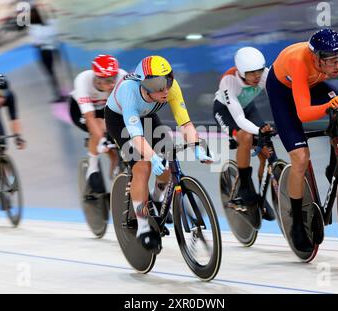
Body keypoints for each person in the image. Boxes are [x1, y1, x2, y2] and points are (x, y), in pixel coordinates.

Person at [265, 28, 338, 251]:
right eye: (331, 60)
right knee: (301, 158)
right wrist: (329, 105)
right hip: (282, 91)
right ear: (316, 58)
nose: (337, 65)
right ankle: (296, 223)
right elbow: (303, 113)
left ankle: (334, 164)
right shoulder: (299, 62)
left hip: (312, 86)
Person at [105, 55, 213, 251]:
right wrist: (152, 157)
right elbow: (136, 135)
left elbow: (185, 123)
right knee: (143, 166)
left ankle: (155, 199)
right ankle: (143, 227)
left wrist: (197, 146)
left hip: (147, 115)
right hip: (121, 120)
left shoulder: (171, 89)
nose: (164, 89)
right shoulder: (129, 91)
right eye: (156, 84)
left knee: (168, 160)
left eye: (168, 81)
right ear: (143, 84)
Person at [213, 47, 273, 222]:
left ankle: (262, 196)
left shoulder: (265, 75)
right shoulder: (229, 80)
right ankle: (246, 187)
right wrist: (258, 131)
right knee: (245, 137)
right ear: (240, 72)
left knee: (267, 150)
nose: (257, 76)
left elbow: (278, 99)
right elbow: (238, 118)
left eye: (259, 71)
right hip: (226, 111)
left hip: (247, 108)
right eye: (251, 73)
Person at [69, 54, 127, 192]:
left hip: (106, 108)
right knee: (100, 130)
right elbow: (89, 117)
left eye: (114, 78)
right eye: (108, 80)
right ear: (97, 78)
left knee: (117, 133)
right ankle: (92, 166)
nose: (112, 83)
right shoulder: (83, 80)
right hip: (81, 110)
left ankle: (115, 164)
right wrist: (101, 140)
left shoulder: (122, 77)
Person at [28, 5, 65, 103]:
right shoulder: (51, 23)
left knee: (51, 74)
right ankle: (62, 92)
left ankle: (58, 93)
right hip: (55, 49)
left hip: (44, 51)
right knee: (58, 71)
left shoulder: (34, 28)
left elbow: (36, 43)